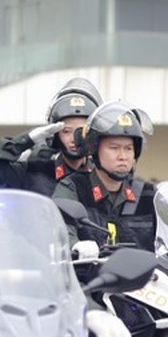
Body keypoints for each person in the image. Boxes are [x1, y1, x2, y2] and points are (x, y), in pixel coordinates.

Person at [53, 100, 156, 251]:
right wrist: (75, 246)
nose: (123, 156)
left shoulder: (147, 195)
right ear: (94, 150)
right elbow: (61, 229)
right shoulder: (73, 188)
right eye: (114, 148)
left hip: (142, 274)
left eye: (128, 148)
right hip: (89, 273)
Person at [0, 77, 102, 194]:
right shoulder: (36, 171)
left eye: (80, 131)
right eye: (66, 131)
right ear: (55, 134)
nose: (73, 139)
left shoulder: (102, 178)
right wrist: (25, 141)